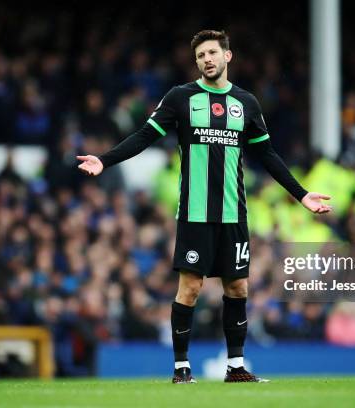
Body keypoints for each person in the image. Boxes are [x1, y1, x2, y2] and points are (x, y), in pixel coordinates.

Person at [76, 29, 331, 383]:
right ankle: (181, 368)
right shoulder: (181, 97)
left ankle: (236, 367)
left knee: (238, 288)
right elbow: (145, 136)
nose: (206, 59)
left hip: (234, 214)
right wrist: (105, 160)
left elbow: (267, 154)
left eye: (212, 52)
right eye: (200, 56)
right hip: (195, 214)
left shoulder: (246, 103)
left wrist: (301, 195)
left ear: (228, 56)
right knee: (191, 288)